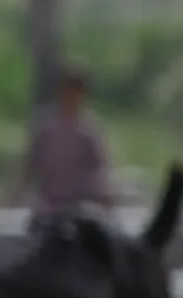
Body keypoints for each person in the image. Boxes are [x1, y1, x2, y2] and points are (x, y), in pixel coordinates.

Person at [11, 65, 118, 222]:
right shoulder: (46, 127)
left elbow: (99, 170)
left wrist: (106, 198)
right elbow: (30, 162)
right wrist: (16, 191)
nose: (71, 97)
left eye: (76, 92)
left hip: (80, 204)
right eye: (68, 91)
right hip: (49, 204)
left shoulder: (89, 130)